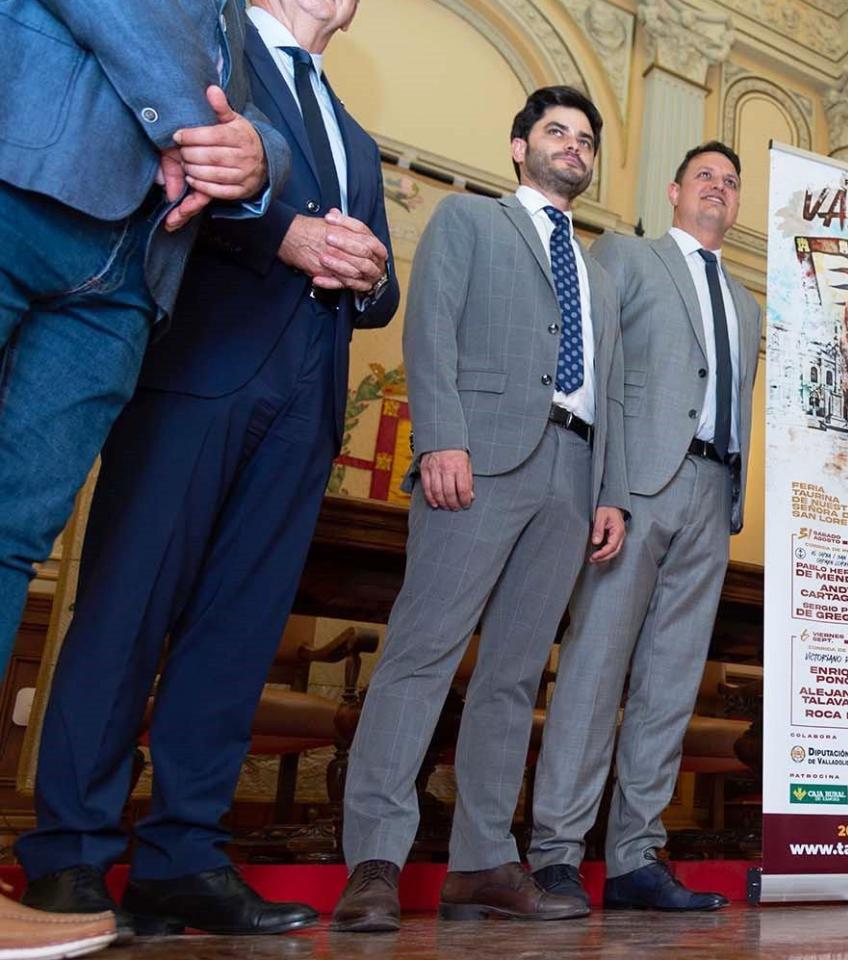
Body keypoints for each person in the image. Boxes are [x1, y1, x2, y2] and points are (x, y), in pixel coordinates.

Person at [16, 0, 394, 938]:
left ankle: (184, 856)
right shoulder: (216, 56)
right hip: (195, 373)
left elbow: (377, 296)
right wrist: (286, 235)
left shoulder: (353, 132)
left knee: (238, 634)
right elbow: (175, 180)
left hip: (307, 404)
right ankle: (70, 853)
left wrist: (374, 272)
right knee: (126, 611)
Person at [331, 86, 629, 931]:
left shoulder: (601, 279)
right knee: (422, 655)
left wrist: (610, 493)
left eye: (584, 139)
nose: (572, 146)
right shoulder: (468, 222)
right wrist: (441, 440)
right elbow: (430, 330)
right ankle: (376, 861)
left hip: (572, 477)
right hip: (480, 458)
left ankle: (482, 862)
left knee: (511, 678)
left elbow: (612, 395)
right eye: (555, 131)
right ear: (517, 146)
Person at [0, 0, 289, 666]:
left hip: (131, 280)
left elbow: (253, 118)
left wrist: (258, 159)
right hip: (20, 188)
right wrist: (199, 133)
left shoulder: (234, 19)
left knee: (17, 533)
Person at [527, 141, 761, 913]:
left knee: (668, 685)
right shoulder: (627, 259)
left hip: (713, 493)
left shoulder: (748, 304)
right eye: (705, 177)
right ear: (673, 189)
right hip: (637, 488)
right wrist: (610, 488)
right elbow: (595, 371)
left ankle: (635, 856)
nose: (718, 191)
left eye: (730, 183)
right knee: (594, 669)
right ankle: (557, 852)